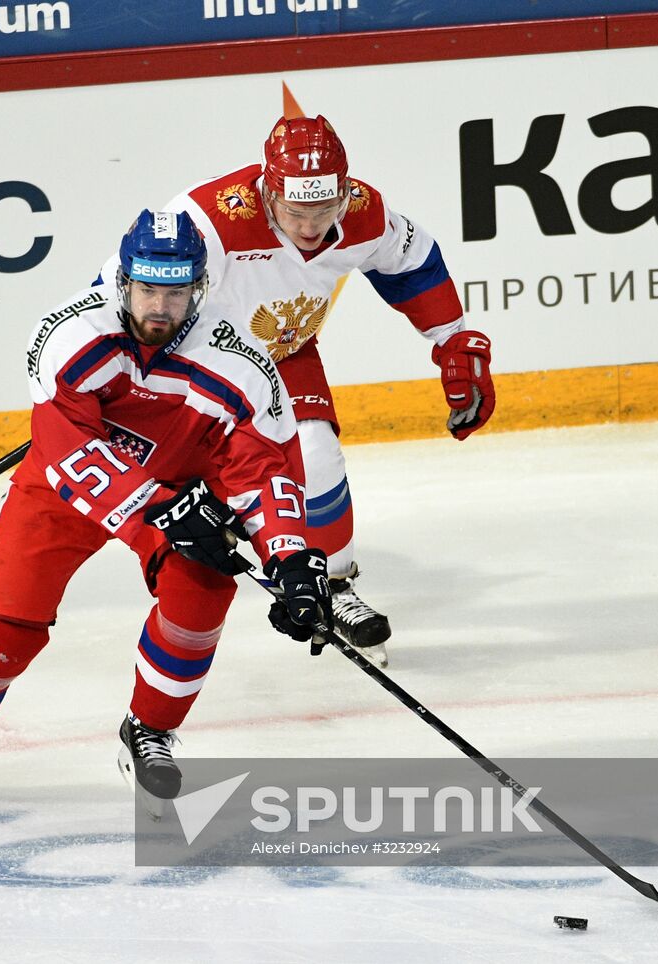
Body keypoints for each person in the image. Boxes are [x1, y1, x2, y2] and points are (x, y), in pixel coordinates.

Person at [0, 209, 332, 805]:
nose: (159, 308)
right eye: (146, 290)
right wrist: (159, 512)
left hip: (176, 490)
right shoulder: (71, 335)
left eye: (175, 292)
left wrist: (291, 560)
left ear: (200, 288)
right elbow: (71, 455)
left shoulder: (239, 361)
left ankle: (150, 728)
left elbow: (263, 470)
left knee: (202, 595)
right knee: (1, 633)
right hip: (64, 490)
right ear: (123, 283)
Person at [118, 114, 496, 667]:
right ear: (269, 191)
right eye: (296, 211)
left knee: (316, 454)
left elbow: (410, 263)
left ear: (344, 190)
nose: (312, 226)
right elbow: (129, 285)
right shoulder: (208, 218)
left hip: (281, 352)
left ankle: (336, 585)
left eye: (324, 209)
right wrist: (118, 373)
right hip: (195, 363)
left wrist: (454, 340)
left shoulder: (365, 209)